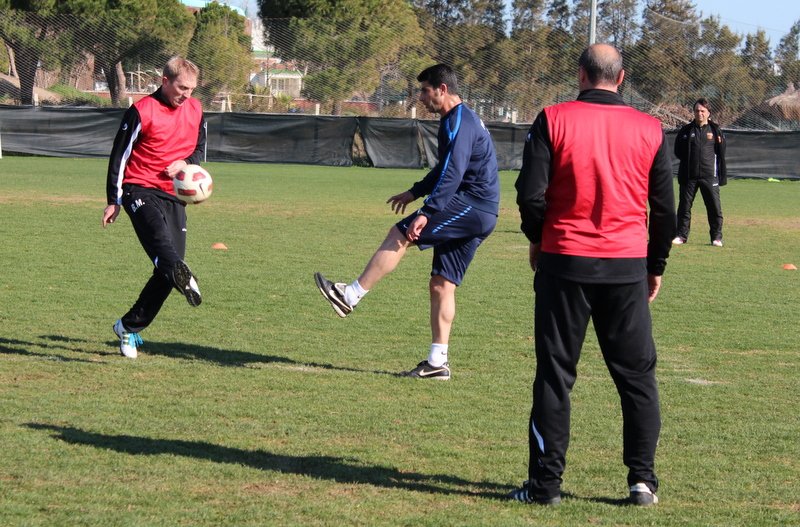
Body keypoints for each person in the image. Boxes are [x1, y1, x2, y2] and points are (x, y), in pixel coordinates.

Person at [510, 44, 676, 506]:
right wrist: (654, 266)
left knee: (555, 375)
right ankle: (642, 482)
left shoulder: (553, 118)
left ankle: (545, 487)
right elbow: (664, 210)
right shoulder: (649, 128)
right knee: (637, 377)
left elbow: (530, 195)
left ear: (581, 74)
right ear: (621, 79)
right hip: (626, 267)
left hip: (564, 262)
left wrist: (537, 239)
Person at [314, 63, 500, 381]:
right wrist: (415, 193)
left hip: (470, 206)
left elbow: (453, 173)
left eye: (425, 91)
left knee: (401, 233)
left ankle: (351, 295)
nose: (421, 98)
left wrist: (428, 210)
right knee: (442, 284)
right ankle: (437, 362)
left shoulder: (459, 121)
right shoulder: (458, 119)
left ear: (442, 89)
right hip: (480, 211)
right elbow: (445, 170)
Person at [102, 56, 206, 359]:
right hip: (139, 189)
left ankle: (128, 327)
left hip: (173, 195)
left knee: (166, 271)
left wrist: (187, 164)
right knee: (163, 247)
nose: (186, 94)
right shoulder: (141, 111)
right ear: (165, 81)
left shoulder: (197, 109)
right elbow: (119, 156)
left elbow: (199, 149)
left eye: (191, 89)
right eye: (181, 87)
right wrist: (114, 199)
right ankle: (182, 273)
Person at [673, 98, 727, 246]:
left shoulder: (715, 130)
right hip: (689, 176)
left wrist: (718, 174)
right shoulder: (686, 130)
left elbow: (721, 152)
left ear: (708, 113)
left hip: (709, 176)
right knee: (684, 207)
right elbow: (678, 151)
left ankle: (716, 237)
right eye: (697, 111)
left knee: (714, 207)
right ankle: (681, 236)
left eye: (703, 111)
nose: (700, 113)